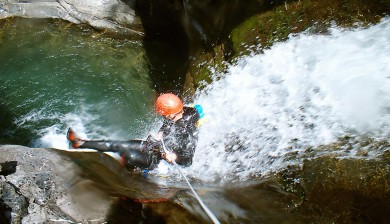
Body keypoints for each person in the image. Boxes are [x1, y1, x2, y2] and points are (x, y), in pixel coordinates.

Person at [66, 93, 205, 171]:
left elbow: (188, 161)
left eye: (164, 115)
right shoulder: (180, 111)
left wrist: (174, 158)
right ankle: (79, 143)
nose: (162, 117)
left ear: (170, 114)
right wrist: (161, 133)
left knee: (128, 154)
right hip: (152, 146)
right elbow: (167, 125)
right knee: (117, 144)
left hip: (156, 159)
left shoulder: (188, 130)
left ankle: (130, 168)